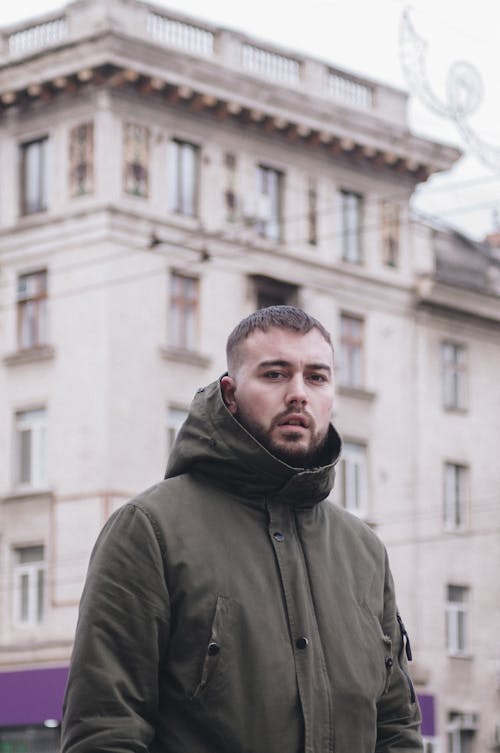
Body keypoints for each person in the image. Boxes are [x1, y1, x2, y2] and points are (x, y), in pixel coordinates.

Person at [61, 305, 423, 753]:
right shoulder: (151, 530)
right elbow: (106, 730)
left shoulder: (363, 551)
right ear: (230, 393)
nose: (298, 393)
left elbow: (396, 729)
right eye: (274, 374)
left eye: (317, 377)